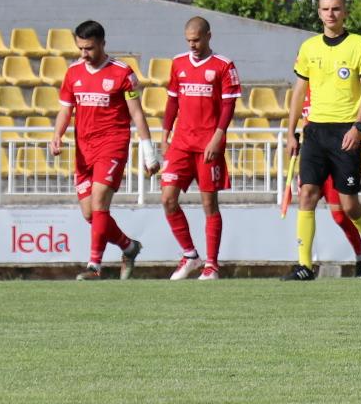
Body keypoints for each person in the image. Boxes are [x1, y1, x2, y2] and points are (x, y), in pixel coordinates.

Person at [283, 0, 361, 280]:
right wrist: (291, 132)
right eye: (326, 9)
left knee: (350, 204)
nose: (331, 14)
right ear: (319, 13)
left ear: (345, 12)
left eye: (336, 9)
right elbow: (299, 91)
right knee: (307, 195)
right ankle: (304, 265)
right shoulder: (309, 48)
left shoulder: (359, 45)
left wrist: (358, 126)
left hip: (345, 132)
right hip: (315, 130)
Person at [50, 20, 155, 279]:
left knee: (98, 203)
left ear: (103, 44)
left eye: (89, 48)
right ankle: (129, 247)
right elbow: (66, 109)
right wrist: (57, 135)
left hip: (112, 144)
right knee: (90, 213)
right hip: (83, 149)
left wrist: (148, 149)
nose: (84, 54)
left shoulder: (122, 73)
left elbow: (136, 113)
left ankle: (94, 267)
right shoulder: (73, 72)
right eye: (80, 48)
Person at [157, 16, 239, 280]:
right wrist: (165, 134)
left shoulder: (223, 66)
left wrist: (218, 137)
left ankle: (212, 265)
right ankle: (190, 255)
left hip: (207, 145)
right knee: (168, 199)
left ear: (208, 36)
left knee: (208, 204)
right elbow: (172, 102)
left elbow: (228, 106)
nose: (192, 45)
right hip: (181, 143)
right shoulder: (178, 63)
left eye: (196, 40)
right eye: (188, 40)